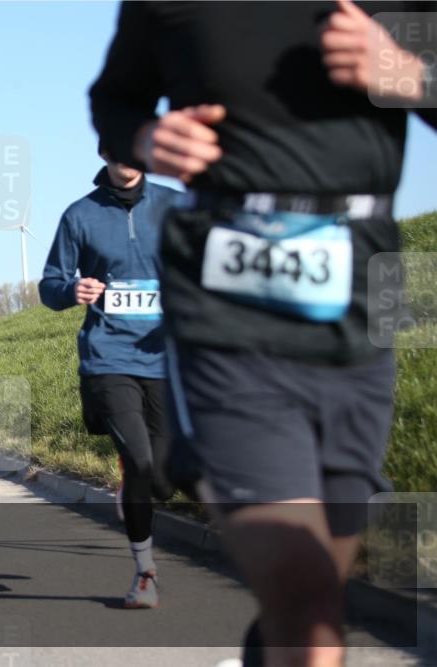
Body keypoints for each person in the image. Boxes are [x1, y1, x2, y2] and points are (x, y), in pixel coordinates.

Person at [90, 1, 436, 664]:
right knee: (307, 604)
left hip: (362, 293)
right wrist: (147, 138)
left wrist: (409, 74)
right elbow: (115, 98)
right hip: (226, 308)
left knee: (312, 595)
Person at [40, 158, 179, 608]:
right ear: (104, 151)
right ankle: (146, 572)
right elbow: (51, 284)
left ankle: (135, 486)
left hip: (164, 359)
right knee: (139, 462)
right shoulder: (80, 215)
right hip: (108, 358)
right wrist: (70, 291)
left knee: (161, 481)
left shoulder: (175, 207)